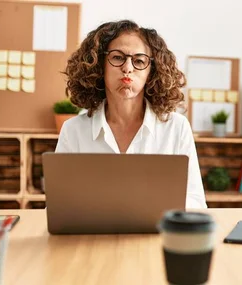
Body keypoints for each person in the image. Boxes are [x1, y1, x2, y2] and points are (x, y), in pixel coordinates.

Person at [56, 20, 207, 209]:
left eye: (139, 61)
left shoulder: (176, 128)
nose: (128, 68)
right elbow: (59, 206)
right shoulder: (73, 130)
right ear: (99, 65)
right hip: (92, 236)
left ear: (152, 72)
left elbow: (196, 203)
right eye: (118, 57)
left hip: (156, 235)